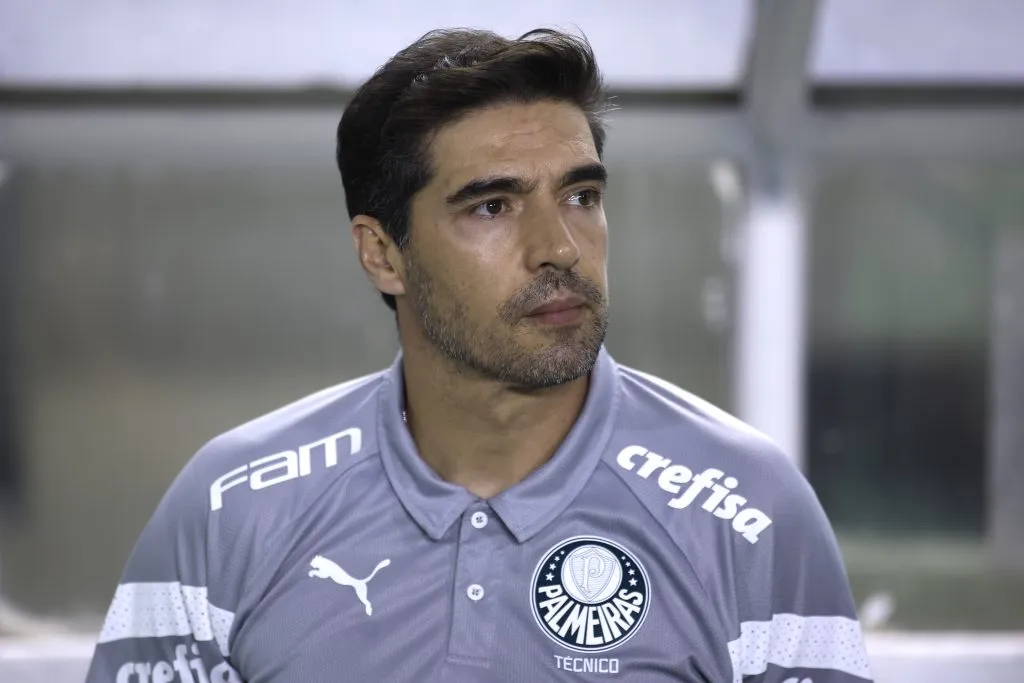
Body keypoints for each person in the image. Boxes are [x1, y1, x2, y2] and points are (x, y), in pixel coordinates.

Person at [86, 28, 873, 683]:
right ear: (382, 254)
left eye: (582, 196)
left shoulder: (751, 510)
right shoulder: (229, 507)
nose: (559, 247)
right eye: (493, 206)